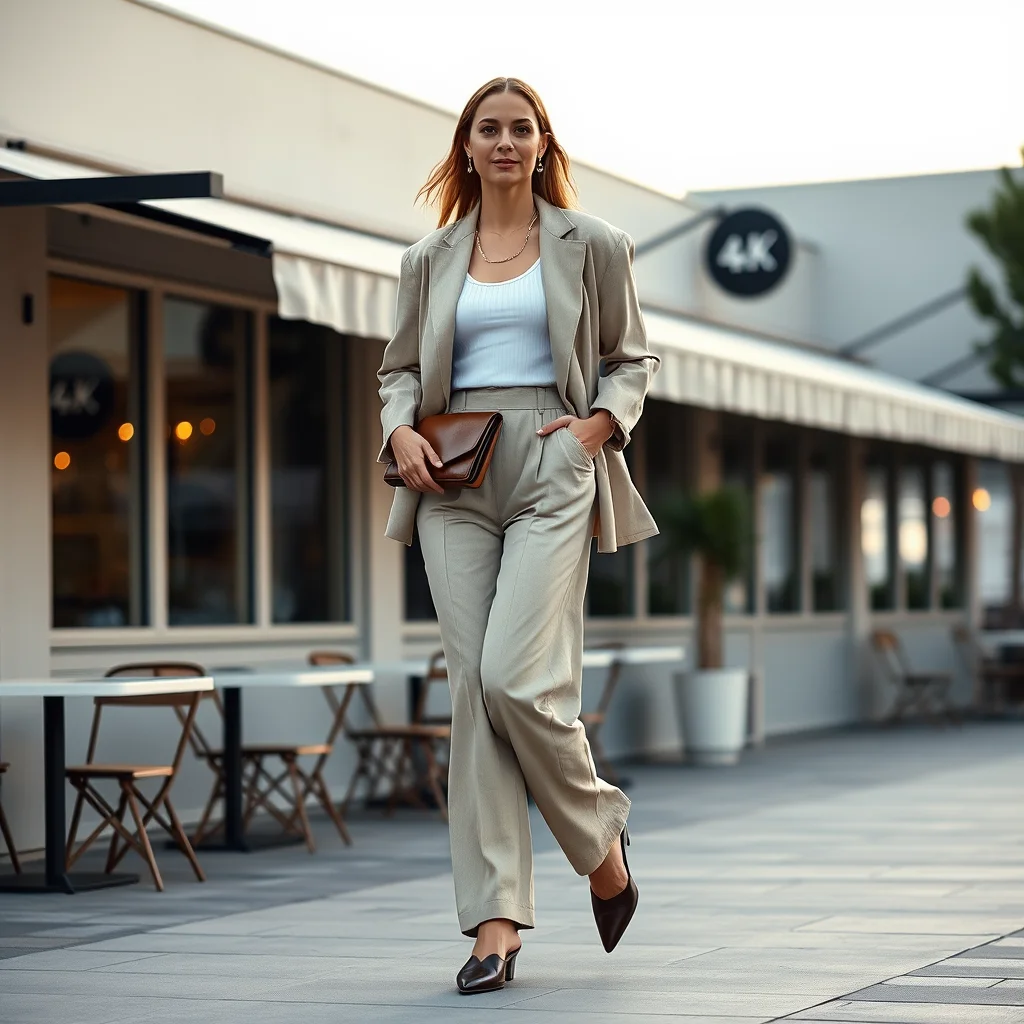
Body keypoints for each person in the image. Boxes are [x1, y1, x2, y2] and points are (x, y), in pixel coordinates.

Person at [377, 77, 660, 994]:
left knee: (514, 679)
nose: (504, 142)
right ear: (466, 147)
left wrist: (598, 428)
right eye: (488, 129)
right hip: (452, 469)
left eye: (520, 129)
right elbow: (398, 371)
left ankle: (598, 839)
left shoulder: (594, 245)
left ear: (543, 145)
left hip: (551, 460)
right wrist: (400, 430)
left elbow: (631, 357)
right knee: (473, 696)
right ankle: (494, 924)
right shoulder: (429, 257)